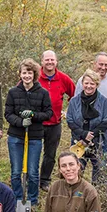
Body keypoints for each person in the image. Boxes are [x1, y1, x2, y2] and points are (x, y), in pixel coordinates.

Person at [5, 59, 53, 206]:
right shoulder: (13, 92)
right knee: (16, 171)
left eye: (29, 72)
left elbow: (49, 113)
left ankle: (32, 200)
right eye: (24, 72)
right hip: (15, 136)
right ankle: (17, 199)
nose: (27, 76)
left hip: (35, 136)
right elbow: (8, 113)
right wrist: (20, 121)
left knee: (32, 172)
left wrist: (33, 115)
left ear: (34, 74)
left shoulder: (43, 93)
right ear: (20, 74)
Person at [75, 52, 107, 160]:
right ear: (94, 64)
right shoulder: (83, 81)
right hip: (85, 128)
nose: (103, 67)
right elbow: (76, 104)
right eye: (100, 64)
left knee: (101, 160)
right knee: (81, 160)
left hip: (106, 129)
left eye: (106, 65)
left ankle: (101, 177)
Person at [38, 50, 76, 191]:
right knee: (34, 153)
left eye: (52, 60)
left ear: (56, 61)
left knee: (50, 154)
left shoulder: (63, 78)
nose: (49, 62)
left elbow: (75, 94)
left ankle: (45, 180)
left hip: (55, 123)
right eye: (47, 60)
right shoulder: (36, 76)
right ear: (42, 61)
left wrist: (69, 110)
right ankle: (32, 179)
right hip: (37, 123)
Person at [66, 69, 107, 183]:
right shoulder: (74, 101)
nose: (89, 86)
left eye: (92, 83)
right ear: (82, 84)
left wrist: (92, 134)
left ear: (97, 85)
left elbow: (106, 121)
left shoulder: (104, 102)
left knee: (100, 169)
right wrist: (83, 134)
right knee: (76, 169)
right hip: (79, 141)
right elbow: (70, 120)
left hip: (99, 141)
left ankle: (98, 194)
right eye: (86, 83)